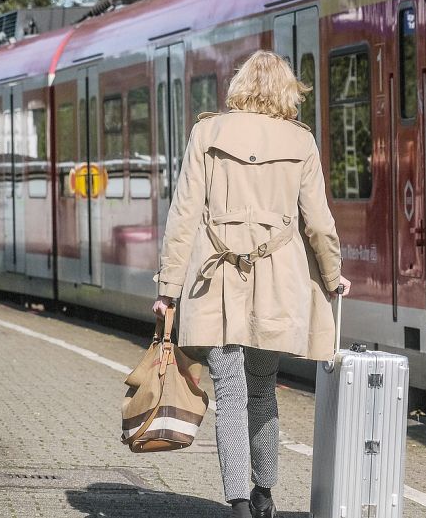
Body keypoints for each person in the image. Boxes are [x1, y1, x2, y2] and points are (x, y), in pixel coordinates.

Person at [151, 50, 350, 518]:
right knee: (262, 387)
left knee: (230, 391)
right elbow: (318, 223)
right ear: (287, 92)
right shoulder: (300, 142)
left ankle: (238, 501)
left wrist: (168, 286)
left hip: (214, 279)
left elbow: (184, 216)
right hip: (278, 279)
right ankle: (265, 493)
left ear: (239, 86)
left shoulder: (207, 132)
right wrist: (333, 274)